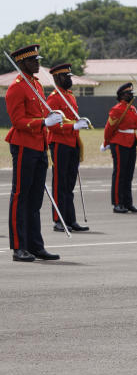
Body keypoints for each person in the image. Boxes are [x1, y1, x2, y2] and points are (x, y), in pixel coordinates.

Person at [5, 44, 61, 261]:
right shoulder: (16, 88)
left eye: (38, 60)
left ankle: (35, 245)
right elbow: (18, 121)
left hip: (39, 145)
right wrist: (43, 122)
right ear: (21, 63)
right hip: (23, 145)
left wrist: (51, 119)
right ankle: (19, 247)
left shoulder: (36, 85)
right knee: (20, 196)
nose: (38, 64)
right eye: (33, 61)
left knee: (35, 198)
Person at [46, 63, 90, 232]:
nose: (69, 79)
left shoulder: (70, 96)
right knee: (59, 183)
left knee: (69, 184)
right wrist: (72, 127)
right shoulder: (54, 98)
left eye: (70, 76)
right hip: (59, 143)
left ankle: (70, 219)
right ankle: (58, 220)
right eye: (66, 76)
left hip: (72, 143)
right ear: (57, 78)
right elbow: (53, 126)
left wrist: (78, 126)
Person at [104, 83, 137, 214]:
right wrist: (106, 142)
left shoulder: (132, 109)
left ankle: (127, 202)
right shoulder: (117, 109)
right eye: (128, 93)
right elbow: (109, 127)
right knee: (120, 173)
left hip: (131, 141)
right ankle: (117, 203)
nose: (131, 95)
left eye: (131, 93)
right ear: (122, 95)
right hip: (119, 142)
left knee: (128, 174)